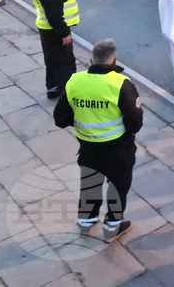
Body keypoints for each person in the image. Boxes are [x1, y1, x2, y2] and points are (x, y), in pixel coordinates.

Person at [54, 39, 143, 242]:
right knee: (118, 187)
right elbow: (134, 123)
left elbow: (60, 119)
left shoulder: (75, 81)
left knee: (90, 183)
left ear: (91, 59)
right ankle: (112, 226)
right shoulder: (121, 85)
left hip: (88, 148)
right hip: (118, 149)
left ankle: (86, 221)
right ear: (114, 61)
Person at [31, 0, 78, 100]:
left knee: (51, 60)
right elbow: (54, 17)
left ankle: (52, 89)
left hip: (46, 29)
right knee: (65, 62)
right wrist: (65, 34)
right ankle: (69, 93)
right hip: (55, 31)